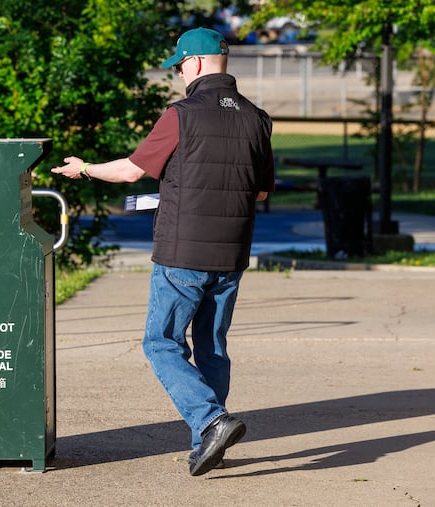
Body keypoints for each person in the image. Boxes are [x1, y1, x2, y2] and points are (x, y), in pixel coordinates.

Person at [51, 27, 275, 476]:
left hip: (182, 253)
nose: (178, 75)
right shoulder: (257, 117)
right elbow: (261, 194)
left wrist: (86, 169)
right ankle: (208, 443)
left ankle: (211, 420)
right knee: (211, 347)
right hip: (231, 255)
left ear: (192, 63)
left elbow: (133, 172)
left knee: (162, 344)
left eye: (178, 67)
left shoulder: (181, 114)